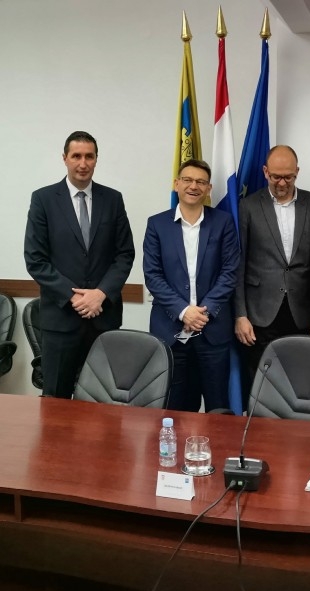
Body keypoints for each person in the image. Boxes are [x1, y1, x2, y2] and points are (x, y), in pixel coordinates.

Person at [24, 131, 135, 398]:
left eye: (89, 156)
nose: (83, 163)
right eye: (76, 156)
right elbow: (35, 259)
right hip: (60, 321)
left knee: (102, 401)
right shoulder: (44, 199)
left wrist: (101, 294)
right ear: (65, 158)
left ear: (96, 159)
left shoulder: (113, 199)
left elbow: (124, 254)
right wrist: (74, 297)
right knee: (56, 401)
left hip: (103, 318)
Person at [143, 159, 241, 411]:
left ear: (209, 188)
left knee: (218, 407)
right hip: (171, 332)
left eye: (200, 182)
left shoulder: (223, 222)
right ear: (176, 184)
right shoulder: (157, 224)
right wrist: (184, 311)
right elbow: (153, 275)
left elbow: (229, 272)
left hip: (213, 330)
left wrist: (202, 312)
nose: (193, 186)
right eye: (187, 180)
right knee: (175, 408)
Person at [233, 145, 310, 401]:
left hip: (304, 313)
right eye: (275, 177)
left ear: (297, 172)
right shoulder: (248, 206)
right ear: (265, 172)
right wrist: (240, 314)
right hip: (260, 315)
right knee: (261, 388)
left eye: (288, 177)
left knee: (301, 385)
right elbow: (239, 263)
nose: (282, 183)